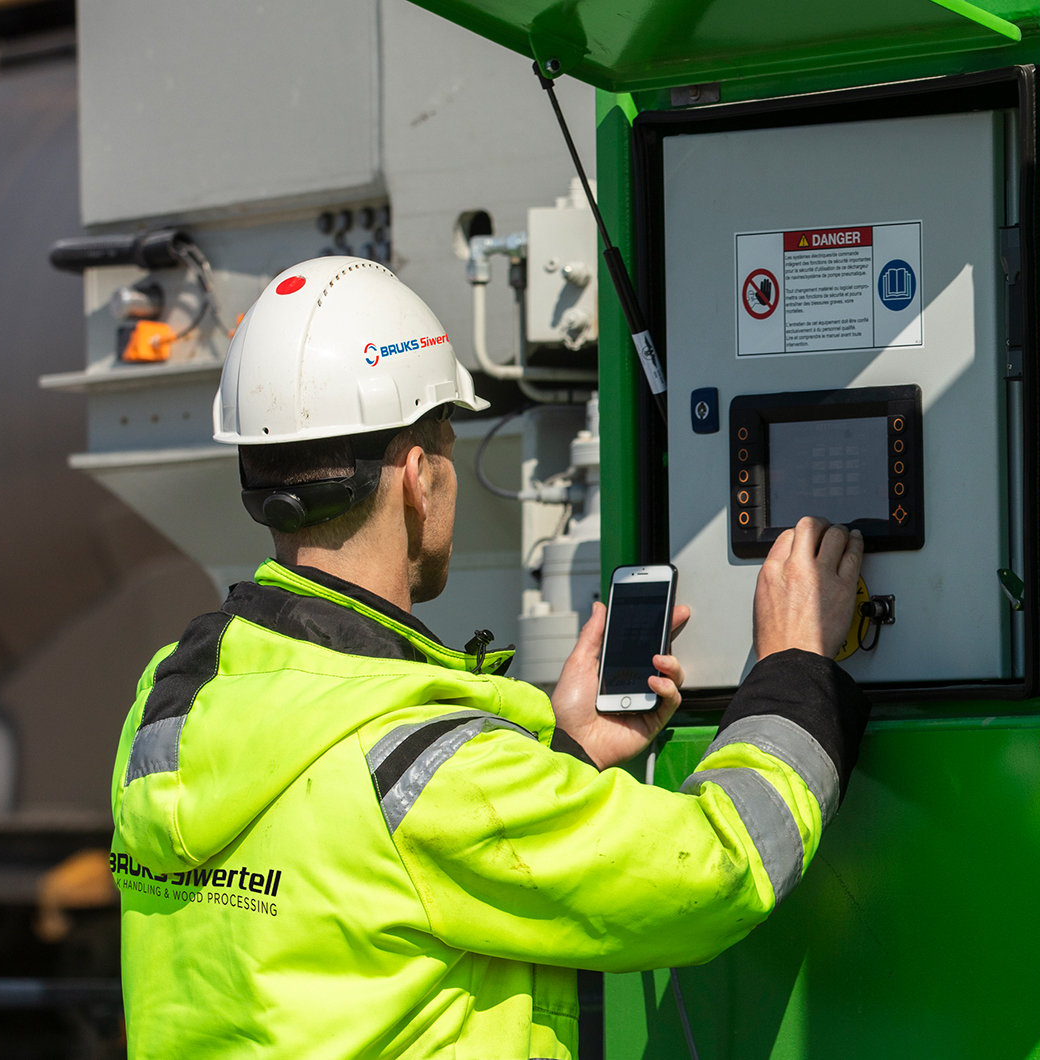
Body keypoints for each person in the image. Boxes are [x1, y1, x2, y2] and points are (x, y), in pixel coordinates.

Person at [110, 256, 870, 1058]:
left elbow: (345, 890)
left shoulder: (166, 710)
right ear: (415, 477)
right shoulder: (431, 775)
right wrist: (792, 671)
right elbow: (717, 869)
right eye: (445, 435)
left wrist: (567, 751)